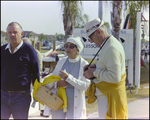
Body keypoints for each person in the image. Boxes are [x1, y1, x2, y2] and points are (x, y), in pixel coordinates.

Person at [83, 18, 128, 119]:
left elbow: (114, 77)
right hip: (107, 97)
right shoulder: (108, 44)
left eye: (91, 37)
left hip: (109, 99)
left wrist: (94, 72)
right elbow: (108, 67)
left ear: (98, 31)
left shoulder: (111, 47)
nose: (90, 41)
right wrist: (94, 67)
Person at [43, 37, 90, 119]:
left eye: (71, 46)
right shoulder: (61, 62)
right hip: (59, 101)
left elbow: (85, 86)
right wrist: (57, 83)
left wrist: (69, 78)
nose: (68, 48)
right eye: (66, 46)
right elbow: (51, 79)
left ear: (78, 49)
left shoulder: (84, 64)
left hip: (75, 103)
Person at [1, 22, 40, 119]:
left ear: (22, 34)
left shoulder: (29, 51)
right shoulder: (2, 50)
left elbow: (35, 73)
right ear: (6, 34)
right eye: (9, 32)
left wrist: (37, 92)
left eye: (15, 32)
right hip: (3, 96)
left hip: (21, 97)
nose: (12, 35)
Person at [22, 37, 45, 116]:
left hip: (36, 75)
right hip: (26, 76)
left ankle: (42, 109)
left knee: (39, 92)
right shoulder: (22, 53)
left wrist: (38, 76)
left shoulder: (36, 52)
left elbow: (39, 65)